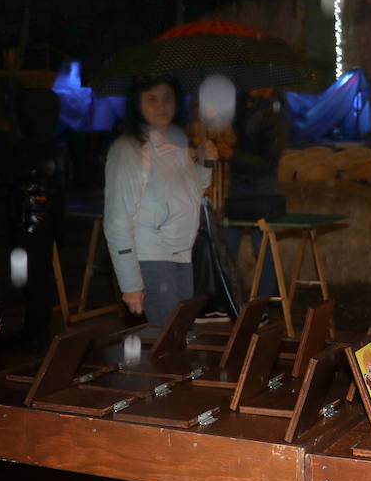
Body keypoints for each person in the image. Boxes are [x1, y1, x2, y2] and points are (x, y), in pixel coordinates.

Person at [104, 76, 216, 325]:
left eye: (167, 98)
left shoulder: (174, 145)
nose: (161, 106)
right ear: (137, 104)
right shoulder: (128, 150)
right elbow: (116, 221)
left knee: (177, 337)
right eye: (151, 99)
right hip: (151, 258)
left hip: (182, 257)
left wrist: (207, 162)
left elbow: (192, 194)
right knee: (168, 339)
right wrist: (131, 284)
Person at [2, 88, 68, 351]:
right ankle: (36, 330)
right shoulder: (51, 146)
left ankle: (35, 332)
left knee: (34, 279)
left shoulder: (25, 147)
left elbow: (10, 180)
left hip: (29, 224)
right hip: (43, 223)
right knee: (38, 278)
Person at [222, 86, 290, 298]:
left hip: (261, 188)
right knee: (226, 244)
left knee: (262, 246)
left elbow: (269, 161)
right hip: (239, 185)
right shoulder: (245, 110)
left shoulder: (277, 117)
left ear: (269, 87)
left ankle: (263, 299)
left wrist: (234, 153)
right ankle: (224, 296)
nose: (251, 84)